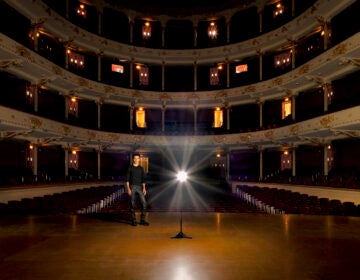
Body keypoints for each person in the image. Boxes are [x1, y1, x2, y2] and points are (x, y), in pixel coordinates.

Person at [125, 154, 149, 226]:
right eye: (135, 158)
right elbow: (127, 180)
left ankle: (142, 220)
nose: (136, 159)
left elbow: (143, 179)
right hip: (132, 187)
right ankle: (134, 220)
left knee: (144, 204)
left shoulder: (141, 168)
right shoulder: (130, 168)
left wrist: (144, 188)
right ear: (133, 159)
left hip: (139, 187)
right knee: (132, 204)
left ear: (139, 159)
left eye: (137, 158)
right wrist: (128, 189)